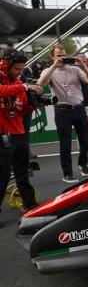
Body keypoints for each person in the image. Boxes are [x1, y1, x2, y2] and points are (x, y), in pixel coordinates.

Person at [37, 44, 88, 183]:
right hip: (62, 111)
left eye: (64, 55)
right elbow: (41, 83)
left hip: (79, 108)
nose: (62, 58)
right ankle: (67, 173)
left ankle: (83, 163)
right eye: (58, 56)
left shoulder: (74, 68)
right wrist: (54, 66)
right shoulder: (48, 70)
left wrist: (82, 65)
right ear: (53, 57)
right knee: (65, 144)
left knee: (85, 140)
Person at [0, 50, 43, 213]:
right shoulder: (18, 84)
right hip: (2, 133)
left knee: (22, 171)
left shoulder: (18, 81)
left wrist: (34, 104)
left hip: (18, 132)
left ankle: (29, 203)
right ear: (5, 65)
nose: (20, 72)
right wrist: (24, 87)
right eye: (17, 69)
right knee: (2, 175)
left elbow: (22, 108)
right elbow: (2, 91)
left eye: (21, 69)